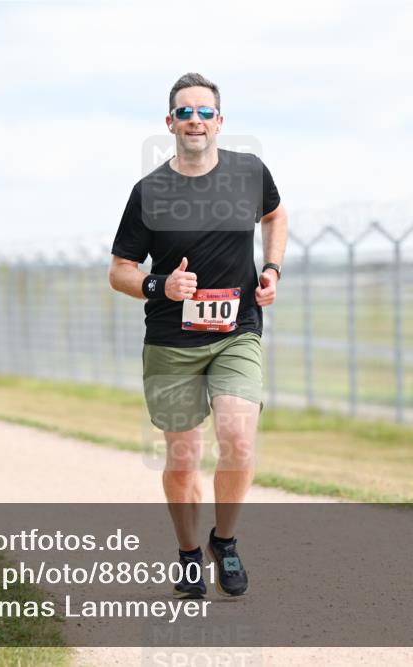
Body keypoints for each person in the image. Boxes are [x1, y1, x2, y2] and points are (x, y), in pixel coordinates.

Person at [108, 73, 288, 599]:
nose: (195, 121)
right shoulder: (150, 192)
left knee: (238, 439)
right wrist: (162, 284)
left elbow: (276, 215)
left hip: (237, 332)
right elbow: (119, 269)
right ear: (170, 123)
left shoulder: (249, 173)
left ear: (219, 121)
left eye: (204, 112)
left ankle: (224, 543)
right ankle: (188, 554)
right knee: (183, 458)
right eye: (185, 112)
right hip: (171, 342)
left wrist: (272, 269)